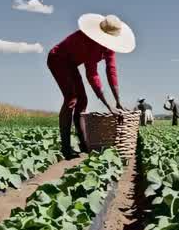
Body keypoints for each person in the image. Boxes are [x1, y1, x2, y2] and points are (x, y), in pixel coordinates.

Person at [46, 13, 136, 159]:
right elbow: (92, 75)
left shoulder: (109, 47)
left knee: (83, 101)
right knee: (72, 98)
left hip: (71, 64)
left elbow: (111, 71)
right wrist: (109, 106)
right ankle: (66, 148)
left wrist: (118, 101)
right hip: (57, 59)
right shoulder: (91, 41)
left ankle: (84, 144)